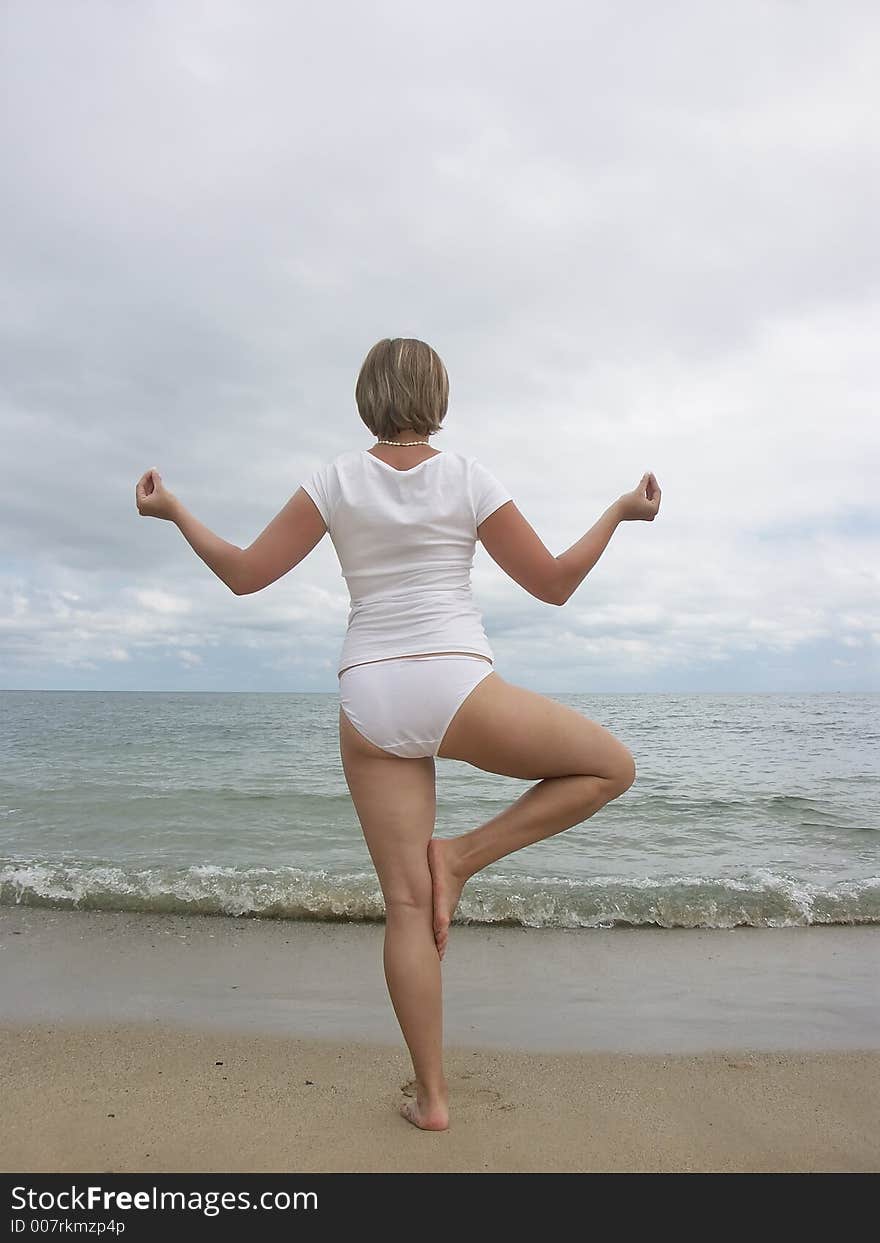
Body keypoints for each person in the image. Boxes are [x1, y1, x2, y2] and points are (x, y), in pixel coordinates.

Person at [135, 336, 661, 1133]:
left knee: (405, 907)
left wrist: (174, 509)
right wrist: (619, 511)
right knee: (609, 767)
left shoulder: (335, 478)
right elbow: (553, 584)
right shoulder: (466, 475)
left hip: (370, 697)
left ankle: (433, 1097)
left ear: (366, 397)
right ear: (438, 395)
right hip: (458, 683)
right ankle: (462, 856)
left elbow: (245, 574)